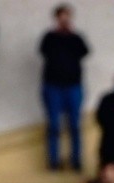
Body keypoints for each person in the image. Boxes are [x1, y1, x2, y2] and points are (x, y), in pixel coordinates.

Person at [39, 4, 89, 170]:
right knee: (54, 125)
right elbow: (44, 52)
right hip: (53, 86)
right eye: (62, 16)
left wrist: (70, 33)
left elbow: (84, 51)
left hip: (73, 86)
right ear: (56, 18)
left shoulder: (76, 38)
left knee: (75, 124)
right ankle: (53, 161)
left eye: (67, 16)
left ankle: (76, 161)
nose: (64, 19)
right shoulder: (49, 38)